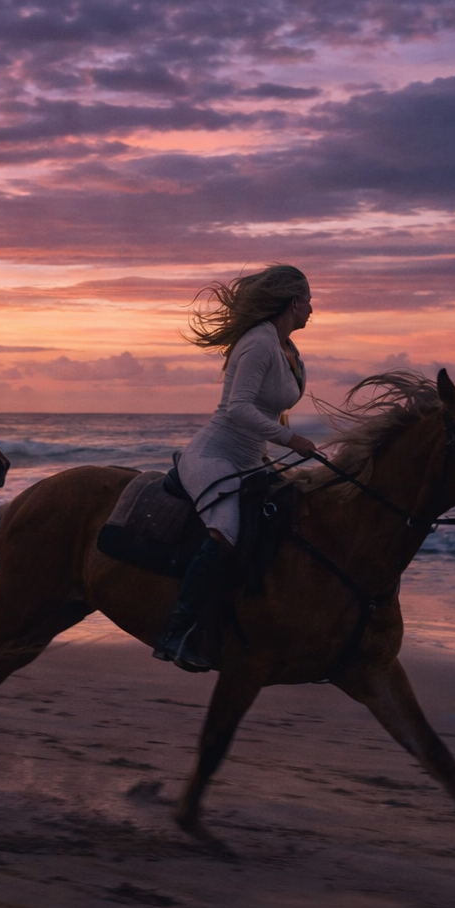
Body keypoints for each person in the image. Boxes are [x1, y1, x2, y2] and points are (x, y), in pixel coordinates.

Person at [154, 264, 318, 671]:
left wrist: (270, 452)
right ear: (293, 303)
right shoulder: (258, 343)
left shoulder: (288, 349)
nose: (313, 309)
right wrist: (290, 440)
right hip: (214, 455)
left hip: (249, 459)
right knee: (225, 531)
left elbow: (266, 409)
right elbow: (238, 409)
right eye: (309, 301)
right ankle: (176, 633)